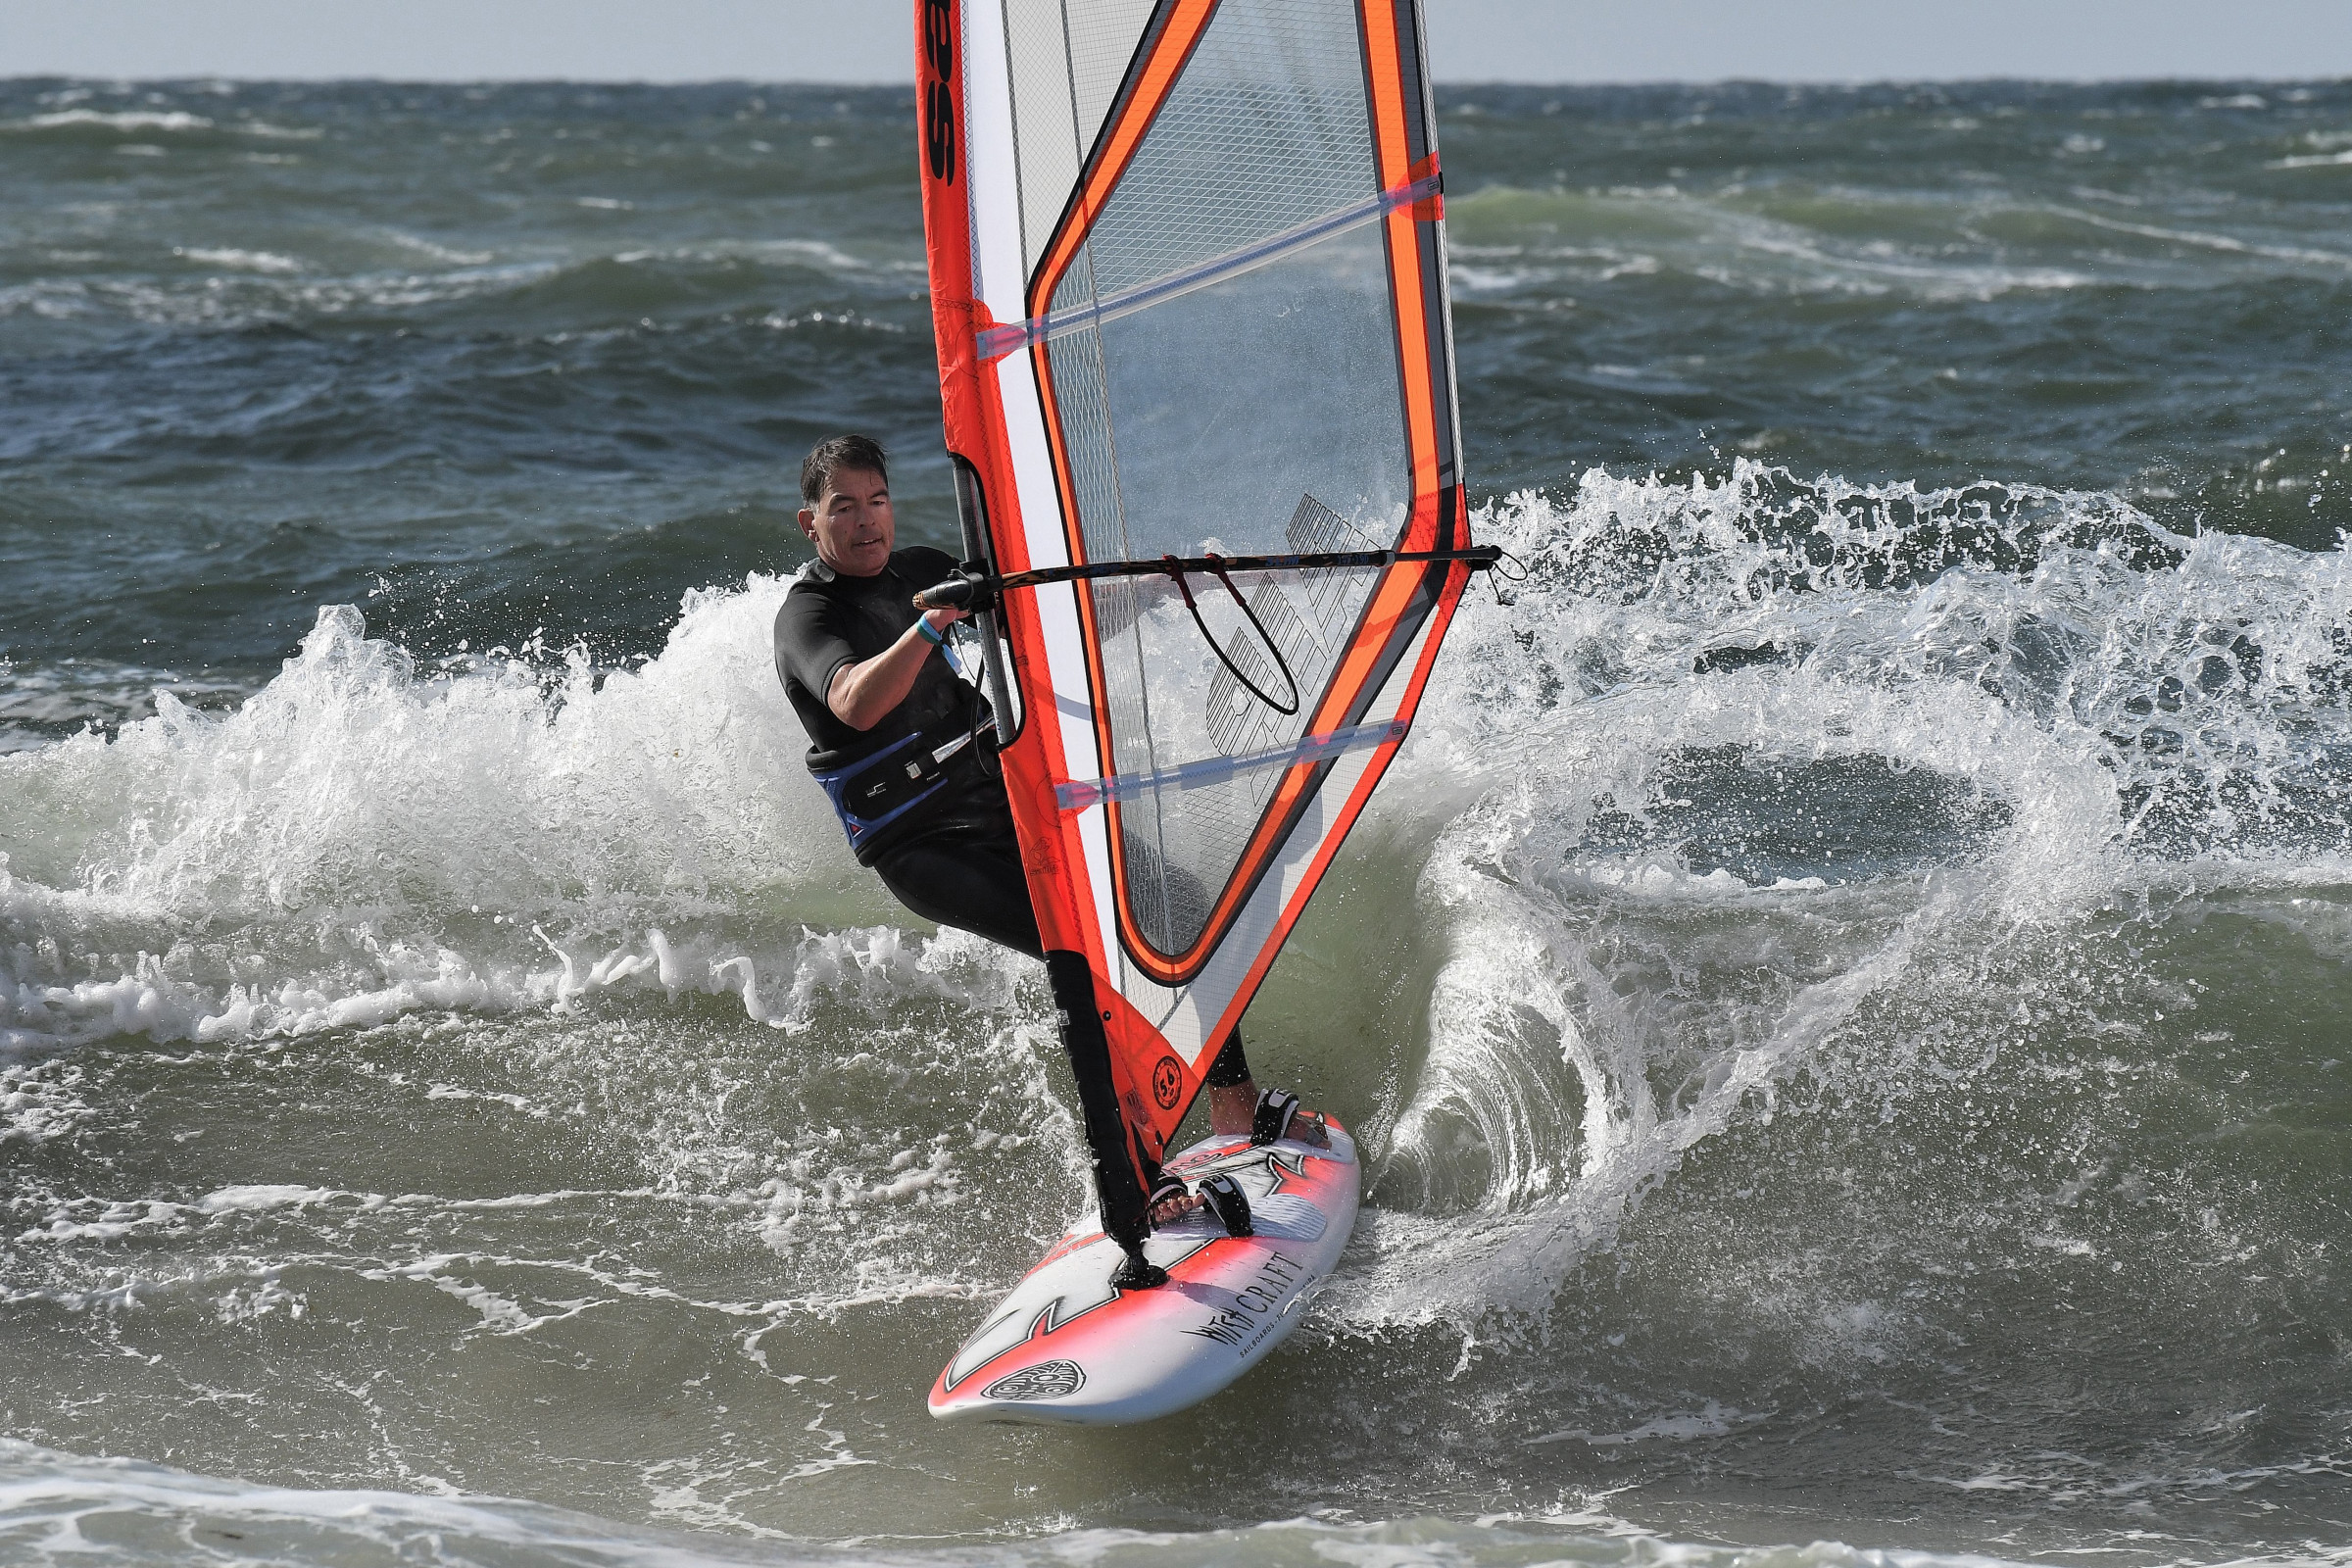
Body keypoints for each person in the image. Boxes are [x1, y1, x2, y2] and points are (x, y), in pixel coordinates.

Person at [771, 434, 1323, 1282]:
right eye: (842, 507)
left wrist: (1155, 590)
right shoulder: (807, 618)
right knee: (1083, 956)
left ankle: (1233, 1101)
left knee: (1172, 902)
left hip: (1001, 801)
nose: (864, 520)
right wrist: (933, 620)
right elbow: (853, 701)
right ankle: (1134, 1188)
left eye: (875, 500)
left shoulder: (914, 566)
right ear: (811, 522)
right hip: (923, 842)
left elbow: (1042, 620)